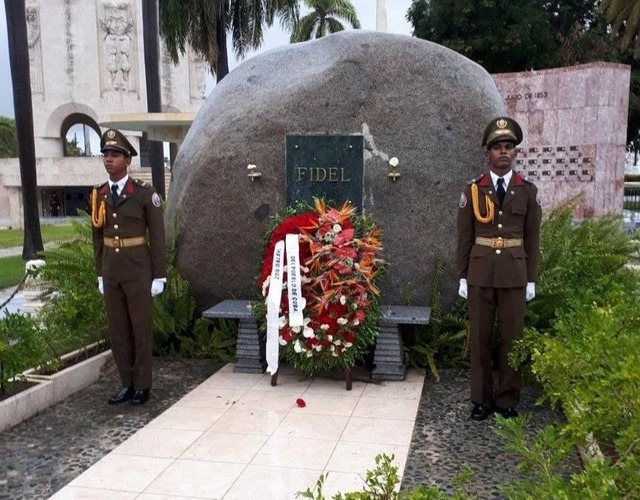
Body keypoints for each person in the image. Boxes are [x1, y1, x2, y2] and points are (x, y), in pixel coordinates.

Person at [456, 117, 541, 421]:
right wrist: (462, 275)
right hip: (480, 274)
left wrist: (531, 279)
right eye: (498, 148)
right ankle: (480, 400)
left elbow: (533, 239)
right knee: (479, 340)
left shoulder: (527, 192)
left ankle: (507, 400)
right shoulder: (473, 191)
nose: (504, 152)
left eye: (509, 147)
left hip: (514, 276)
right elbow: (464, 237)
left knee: (511, 339)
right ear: (487, 153)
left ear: (515, 153)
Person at [91, 128, 167, 406]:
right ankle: (126, 383)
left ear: (127, 160)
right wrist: (100, 272)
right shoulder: (99, 194)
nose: (108, 160)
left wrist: (159, 275)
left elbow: (157, 237)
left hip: (138, 270)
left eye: (115, 155)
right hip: (112, 270)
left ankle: (143, 385)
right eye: (106, 155)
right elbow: (97, 237)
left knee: (140, 328)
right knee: (118, 330)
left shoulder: (145, 194)